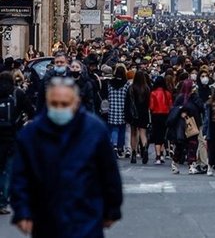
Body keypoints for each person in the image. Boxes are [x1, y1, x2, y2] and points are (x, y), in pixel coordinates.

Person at [10, 77, 123, 238]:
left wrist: (112, 209)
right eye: (54, 104)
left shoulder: (94, 130)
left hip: (86, 217)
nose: (59, 109)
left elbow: (109, 172)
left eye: (64, 104)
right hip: (46, 218)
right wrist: (22, 211)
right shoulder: (31, 134)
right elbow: (20, 176)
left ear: (76, 102)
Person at [0, 72, 34, 215]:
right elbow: (31, 111)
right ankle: (2, 202)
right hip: (13, 136)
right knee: (8, 170)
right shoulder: (18, 93)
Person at [170, 79, 204, 175]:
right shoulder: (180, 98)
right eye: (192, 87)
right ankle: (175, 163)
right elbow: (175, 109)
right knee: (180, 145)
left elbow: (201, 107)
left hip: (193, 125)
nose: (194, 89)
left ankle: (191, 164)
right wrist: (182, 111)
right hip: (182, 125)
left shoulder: (195, 98)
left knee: (193, 145)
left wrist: (194, 98)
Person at [124, 70, 150, 164]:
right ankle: (145, 148)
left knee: (133, 133)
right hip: (144, 113)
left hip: (133, 113)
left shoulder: (131, 88)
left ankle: (134, 153)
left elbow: (127, 103)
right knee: (143, 133)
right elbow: (148, 103)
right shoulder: (146, 88)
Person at [106, 65, 131, 158]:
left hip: (112, 108)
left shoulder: (110, 83)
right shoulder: (126, 84)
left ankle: (114, 146)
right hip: (122, 109)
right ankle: (120, 148)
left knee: (114, 128)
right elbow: (128, 97)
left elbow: (107, 95)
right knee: (122, 129)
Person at [149, 76, 173, 164]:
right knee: (163, 135)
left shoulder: (153, 93)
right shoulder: (167, 93)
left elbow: (151, 106)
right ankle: (162, 154)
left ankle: (158, 156)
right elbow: (171, 106)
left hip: (156, 115)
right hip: (165, 115)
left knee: (157, 136)